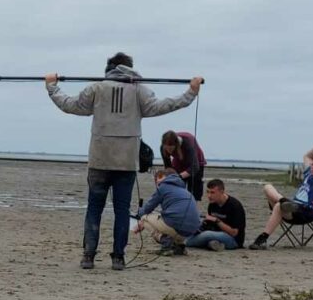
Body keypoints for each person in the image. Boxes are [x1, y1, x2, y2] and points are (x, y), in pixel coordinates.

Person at [45, 52, 203, 270]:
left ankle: (88, 256)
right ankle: (118, 258)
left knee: (94, 208)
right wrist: (191, 92)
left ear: (109, 69)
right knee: (121, 210)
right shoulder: (139, 90)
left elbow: (70, 105)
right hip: (126, 163)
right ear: (130, 68)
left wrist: (52, 86)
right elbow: (165, 105)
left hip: (99, 160)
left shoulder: (97, 88)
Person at [249, 136, 313, 250]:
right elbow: (307, 156)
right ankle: (283, 201)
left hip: (308, 211)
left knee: (278, 206)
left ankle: (262, 238)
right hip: (292, 207)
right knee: (267, 187)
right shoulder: (308, 174)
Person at [133, 169, 202, 256]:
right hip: (191, 230)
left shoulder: (163, 187)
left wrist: (139, 216)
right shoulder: (184, 190)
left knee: (144, 219)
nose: (157, 183)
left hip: (176, 226)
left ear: (161, 177)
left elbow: (147, 209)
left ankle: (165, 242)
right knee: (172, 218)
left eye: (157, 179)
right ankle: (180, 246)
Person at [187, 179, 245, 251]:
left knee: (206, 235)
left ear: (221, 192)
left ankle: (189, 242)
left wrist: (217, 221)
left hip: (233, 240)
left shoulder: (235, 206)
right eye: (207, 192)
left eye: (212, 192)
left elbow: (234, 233)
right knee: (191, 229)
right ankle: (213, 244)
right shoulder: (212, 204)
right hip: (216, 233)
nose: (209, 196)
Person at [160, 130, 207, 201]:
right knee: (176, 186)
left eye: (171, 148)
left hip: (196, 162)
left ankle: (192, 206)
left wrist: (179, 176)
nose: (169, 151)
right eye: (166, 148)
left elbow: (195, 167)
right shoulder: (163, 148)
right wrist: (171, 177)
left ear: (176, 145)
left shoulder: (187, 143)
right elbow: (168, 166)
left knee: (194, 190)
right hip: (179, 160)